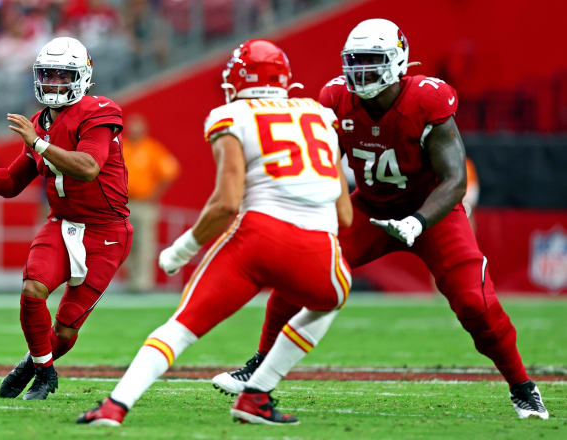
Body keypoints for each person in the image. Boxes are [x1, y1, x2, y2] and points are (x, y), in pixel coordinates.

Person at [211, 18, 549, 420]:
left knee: (475, 304)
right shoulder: (336, 97)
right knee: (297, 269)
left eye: (371, 61)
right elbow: (323, 161)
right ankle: (259, 365)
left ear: (398, 61)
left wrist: (418, 222)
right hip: (368, 208)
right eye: (353, 61)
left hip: (432, 213)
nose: (359, 71)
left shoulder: (426, 99)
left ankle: (522, 387)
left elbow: (455, 180)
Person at [77, 39, 353, 426]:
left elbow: (226, 202)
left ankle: (114, 407)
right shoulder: (320, 116)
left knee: (182, 327)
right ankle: (258, 394)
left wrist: (182, 248)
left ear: (240, 78)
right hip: (317, 247)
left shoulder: (233, 114)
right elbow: (345, 213)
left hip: (257, 239)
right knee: (330, 300)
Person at [0, 37, 131, 400]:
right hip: (61, 223)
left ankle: (30, 364)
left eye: (62, 76)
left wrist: (40, 144)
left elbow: (90, 167)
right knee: (33, 291)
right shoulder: (40, 121)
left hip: (105, 232)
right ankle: (45, 373)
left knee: (64, 328)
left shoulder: (100, 111)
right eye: (47, 74)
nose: (53, 83)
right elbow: (12, 183)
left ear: (81, 77)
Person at [121, 113, 180, 291]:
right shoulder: (123, 148)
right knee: (124, 244)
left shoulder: (152, 149)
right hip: (123, 204)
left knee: (145, 243)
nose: (134, 132)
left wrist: (154, 194)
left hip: (144, 204)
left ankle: (143, 283)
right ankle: (131, 281)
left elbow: (170, 171)